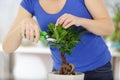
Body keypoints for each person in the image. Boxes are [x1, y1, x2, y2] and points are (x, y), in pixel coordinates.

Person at [2, 0, 115, 80]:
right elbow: (7, 47)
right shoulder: (30, 2)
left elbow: (108, 27)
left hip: (97, 70)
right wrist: (22, 24)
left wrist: (81, 21)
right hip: (62, 72)